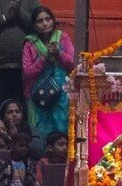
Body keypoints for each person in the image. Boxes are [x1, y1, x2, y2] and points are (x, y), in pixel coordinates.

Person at [0, 0, 41, 118]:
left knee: (23, 113)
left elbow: (39, 23)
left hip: (25, 68)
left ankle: (21, 137)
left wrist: (19, 12)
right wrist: (5, 17)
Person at [21, 6, 76, 141]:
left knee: (63, 131)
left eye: (48, 19)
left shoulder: (62, 38)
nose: (45, 23)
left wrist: (59, 53)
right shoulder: (30, 43)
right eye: (40, 21)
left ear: (53, 20)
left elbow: (73, 64)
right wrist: (45, 57)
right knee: (41, 133)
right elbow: (27, 72)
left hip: (62, 96)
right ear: (34, 25)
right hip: (39, 97)